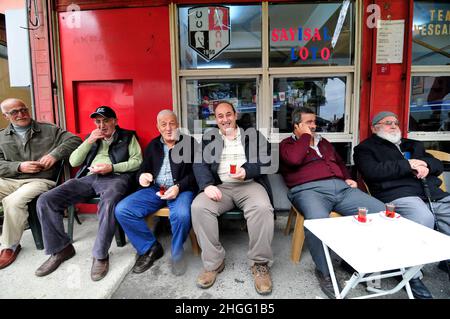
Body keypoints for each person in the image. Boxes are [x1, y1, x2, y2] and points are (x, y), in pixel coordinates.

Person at [279, 107, 385, 299]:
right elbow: (294, 160)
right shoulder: (286, 144)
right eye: (308, 122)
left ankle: (353, 260)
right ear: (297, 126)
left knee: (380, 211)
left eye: (314, 122)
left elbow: (339, 163)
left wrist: (347, 178)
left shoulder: (324, 143)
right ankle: (324, 271)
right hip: (307, 190)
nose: (314, 125)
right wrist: (305, 137)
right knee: (317, 223)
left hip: (341, 188)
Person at [35, 106, 142, 281]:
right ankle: (61, 249)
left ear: (115, 121)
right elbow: (74, 161)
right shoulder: (91, 138)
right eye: (98, 121)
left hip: (115, 178)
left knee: (108, 203)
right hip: (89, 178)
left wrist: (112, 167)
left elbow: (137, 162)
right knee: (46, 199)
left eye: (106, 120)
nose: (102, 125)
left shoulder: (128, 136)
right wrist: (89, 141)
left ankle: (100, 255)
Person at [353, 111, 450, 297]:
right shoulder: (366, 148)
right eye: (388, 122)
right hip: (398, 194)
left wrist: (424, 164)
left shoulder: (412, 144)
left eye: (395, 123)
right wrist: (409, 165)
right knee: (423, 218)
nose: (393, 126)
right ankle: (409, 273)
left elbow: (437, 164)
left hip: (431, 193)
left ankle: (444, 259)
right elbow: (372, 172)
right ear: (375, 128)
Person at [191, 101, 274, 295]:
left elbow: (267, 158)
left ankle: (259, 264)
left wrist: (247, 170)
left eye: (228, 114)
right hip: (221, 187)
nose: (225, 119)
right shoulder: (209, 138)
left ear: (235, 115)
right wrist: (207, 185)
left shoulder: (253, 136)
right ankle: (213, 263)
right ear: (215, 119)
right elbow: (199, 163)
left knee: (262, 208)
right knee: (199, 207)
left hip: (249, 184)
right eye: (220, 116)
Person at [0, 98, 82, 269]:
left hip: (40, 179)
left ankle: (10, 246)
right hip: (10, 179)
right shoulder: (1, 137)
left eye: (23, 109)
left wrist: (55, 154)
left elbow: (75, 140)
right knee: (13, 198)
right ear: (5, 116)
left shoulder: (48, 130)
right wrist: (19, 167)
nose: (21, 114)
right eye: (14, 112)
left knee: (13, 201)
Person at [115, 110, 197, 276]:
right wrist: (142, 177)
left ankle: (177, 253)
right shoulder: (153, 145)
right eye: (163, 124)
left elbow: (197, 173)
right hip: (156, 189)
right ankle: (150, 247)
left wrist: (179, 187)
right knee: (122, 209)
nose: (168, 128)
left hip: (181, 190)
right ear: (157, 127)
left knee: (181, 215)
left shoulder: (190, 143)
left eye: (172, 123)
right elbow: (143, 169)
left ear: (178, 124)